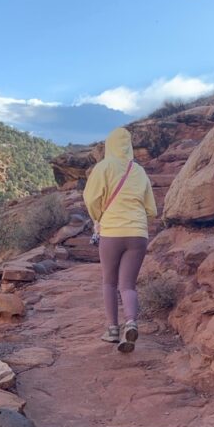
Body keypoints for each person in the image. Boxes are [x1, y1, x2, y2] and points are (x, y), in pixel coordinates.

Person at [83, 127, 157, 353]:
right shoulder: (140, 171)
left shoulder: (104, 167)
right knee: (128, 284)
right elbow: (151, 209)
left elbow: (91, 198)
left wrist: (98, 218)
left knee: (109, 282)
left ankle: (113, 330)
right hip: (138, 234)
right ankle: (131, 323)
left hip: (112, 232)